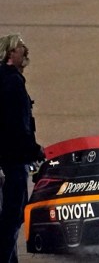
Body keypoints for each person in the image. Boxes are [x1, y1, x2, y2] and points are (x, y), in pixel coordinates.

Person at [0, 33, 44, 263]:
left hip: (9, 161)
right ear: (9, 54)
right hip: (12, 163)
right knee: (11, 219)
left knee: (9, 219)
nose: (25, 50)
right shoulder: (12, 82)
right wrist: (34, 151)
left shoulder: (6, 79)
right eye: (20, 48)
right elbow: (17, 127)